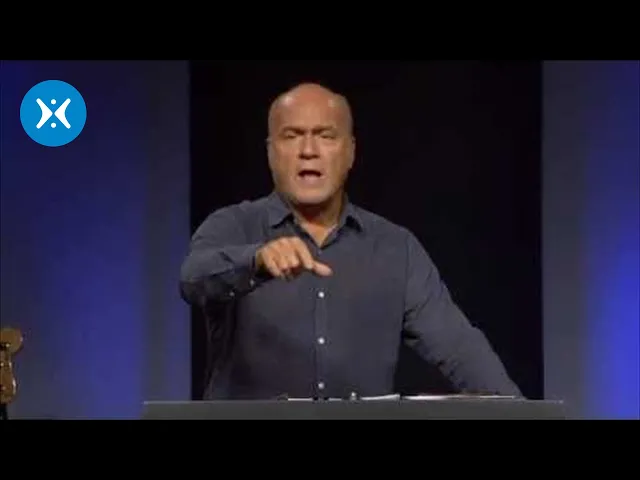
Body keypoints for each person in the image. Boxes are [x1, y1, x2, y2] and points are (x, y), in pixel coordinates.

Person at [180, 82, 522, 400]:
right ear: (271, 152)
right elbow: (193, 279)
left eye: (325, 136)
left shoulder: (396, 248)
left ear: (350, 152)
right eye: (292, 136)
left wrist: (519, 412)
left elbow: (459, 349)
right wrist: (256, 260)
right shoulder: (233, 225)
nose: (308, 151)